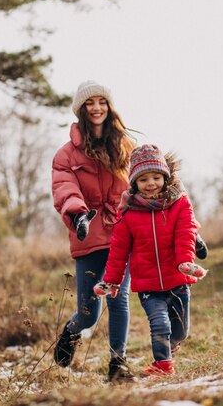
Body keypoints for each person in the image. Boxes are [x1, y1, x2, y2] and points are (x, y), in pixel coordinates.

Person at [93, 144, 207, 376]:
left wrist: (186, 262)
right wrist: (111, 281)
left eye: (156, 177)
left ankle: (172, 345)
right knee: (159, 325)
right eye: (144, 179)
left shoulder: (180, 204)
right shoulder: (128, 214)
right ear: (135, 183)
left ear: (165, 177)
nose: (151, 183)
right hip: (148, 285)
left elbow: (186, 234)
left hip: (178, 279)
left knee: (180, 331)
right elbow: (118, 251)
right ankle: (163, 365)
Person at [51, 80, 137, 382]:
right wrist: (78, 215)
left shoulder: (126, 146)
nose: (96, 108)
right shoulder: (66, 155)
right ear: (82, 109)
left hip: (121, 232)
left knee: (118, 297)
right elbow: (65, 188)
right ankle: (71, 332)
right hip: (87, 232)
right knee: (88, 312)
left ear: (109, 107)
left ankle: (118, 364)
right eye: (90, 103)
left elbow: (145, 182)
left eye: (101, 102)